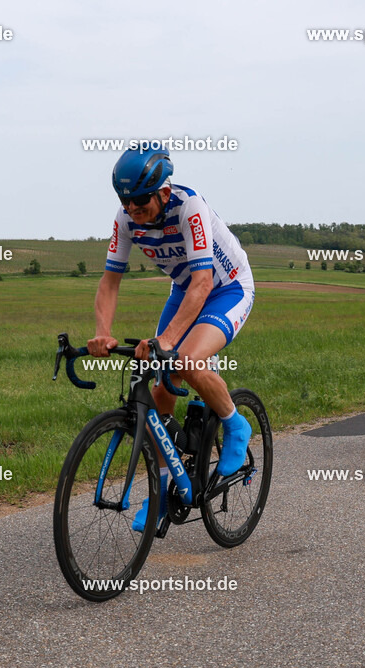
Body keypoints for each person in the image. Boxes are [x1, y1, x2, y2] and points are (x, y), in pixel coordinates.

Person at [88, 145, 255, 531]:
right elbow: (110, 282)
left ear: (163, 192)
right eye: (124, 201)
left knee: (187, 359)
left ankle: (235, 424)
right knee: (158, 387)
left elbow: (204, 282)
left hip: (226, 288)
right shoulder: (126, 219)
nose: (132, 209)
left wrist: (166, 341)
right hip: (184, 288)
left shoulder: (188, 207)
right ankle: (163, 490)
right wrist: (102, 334)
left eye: (140, 201)